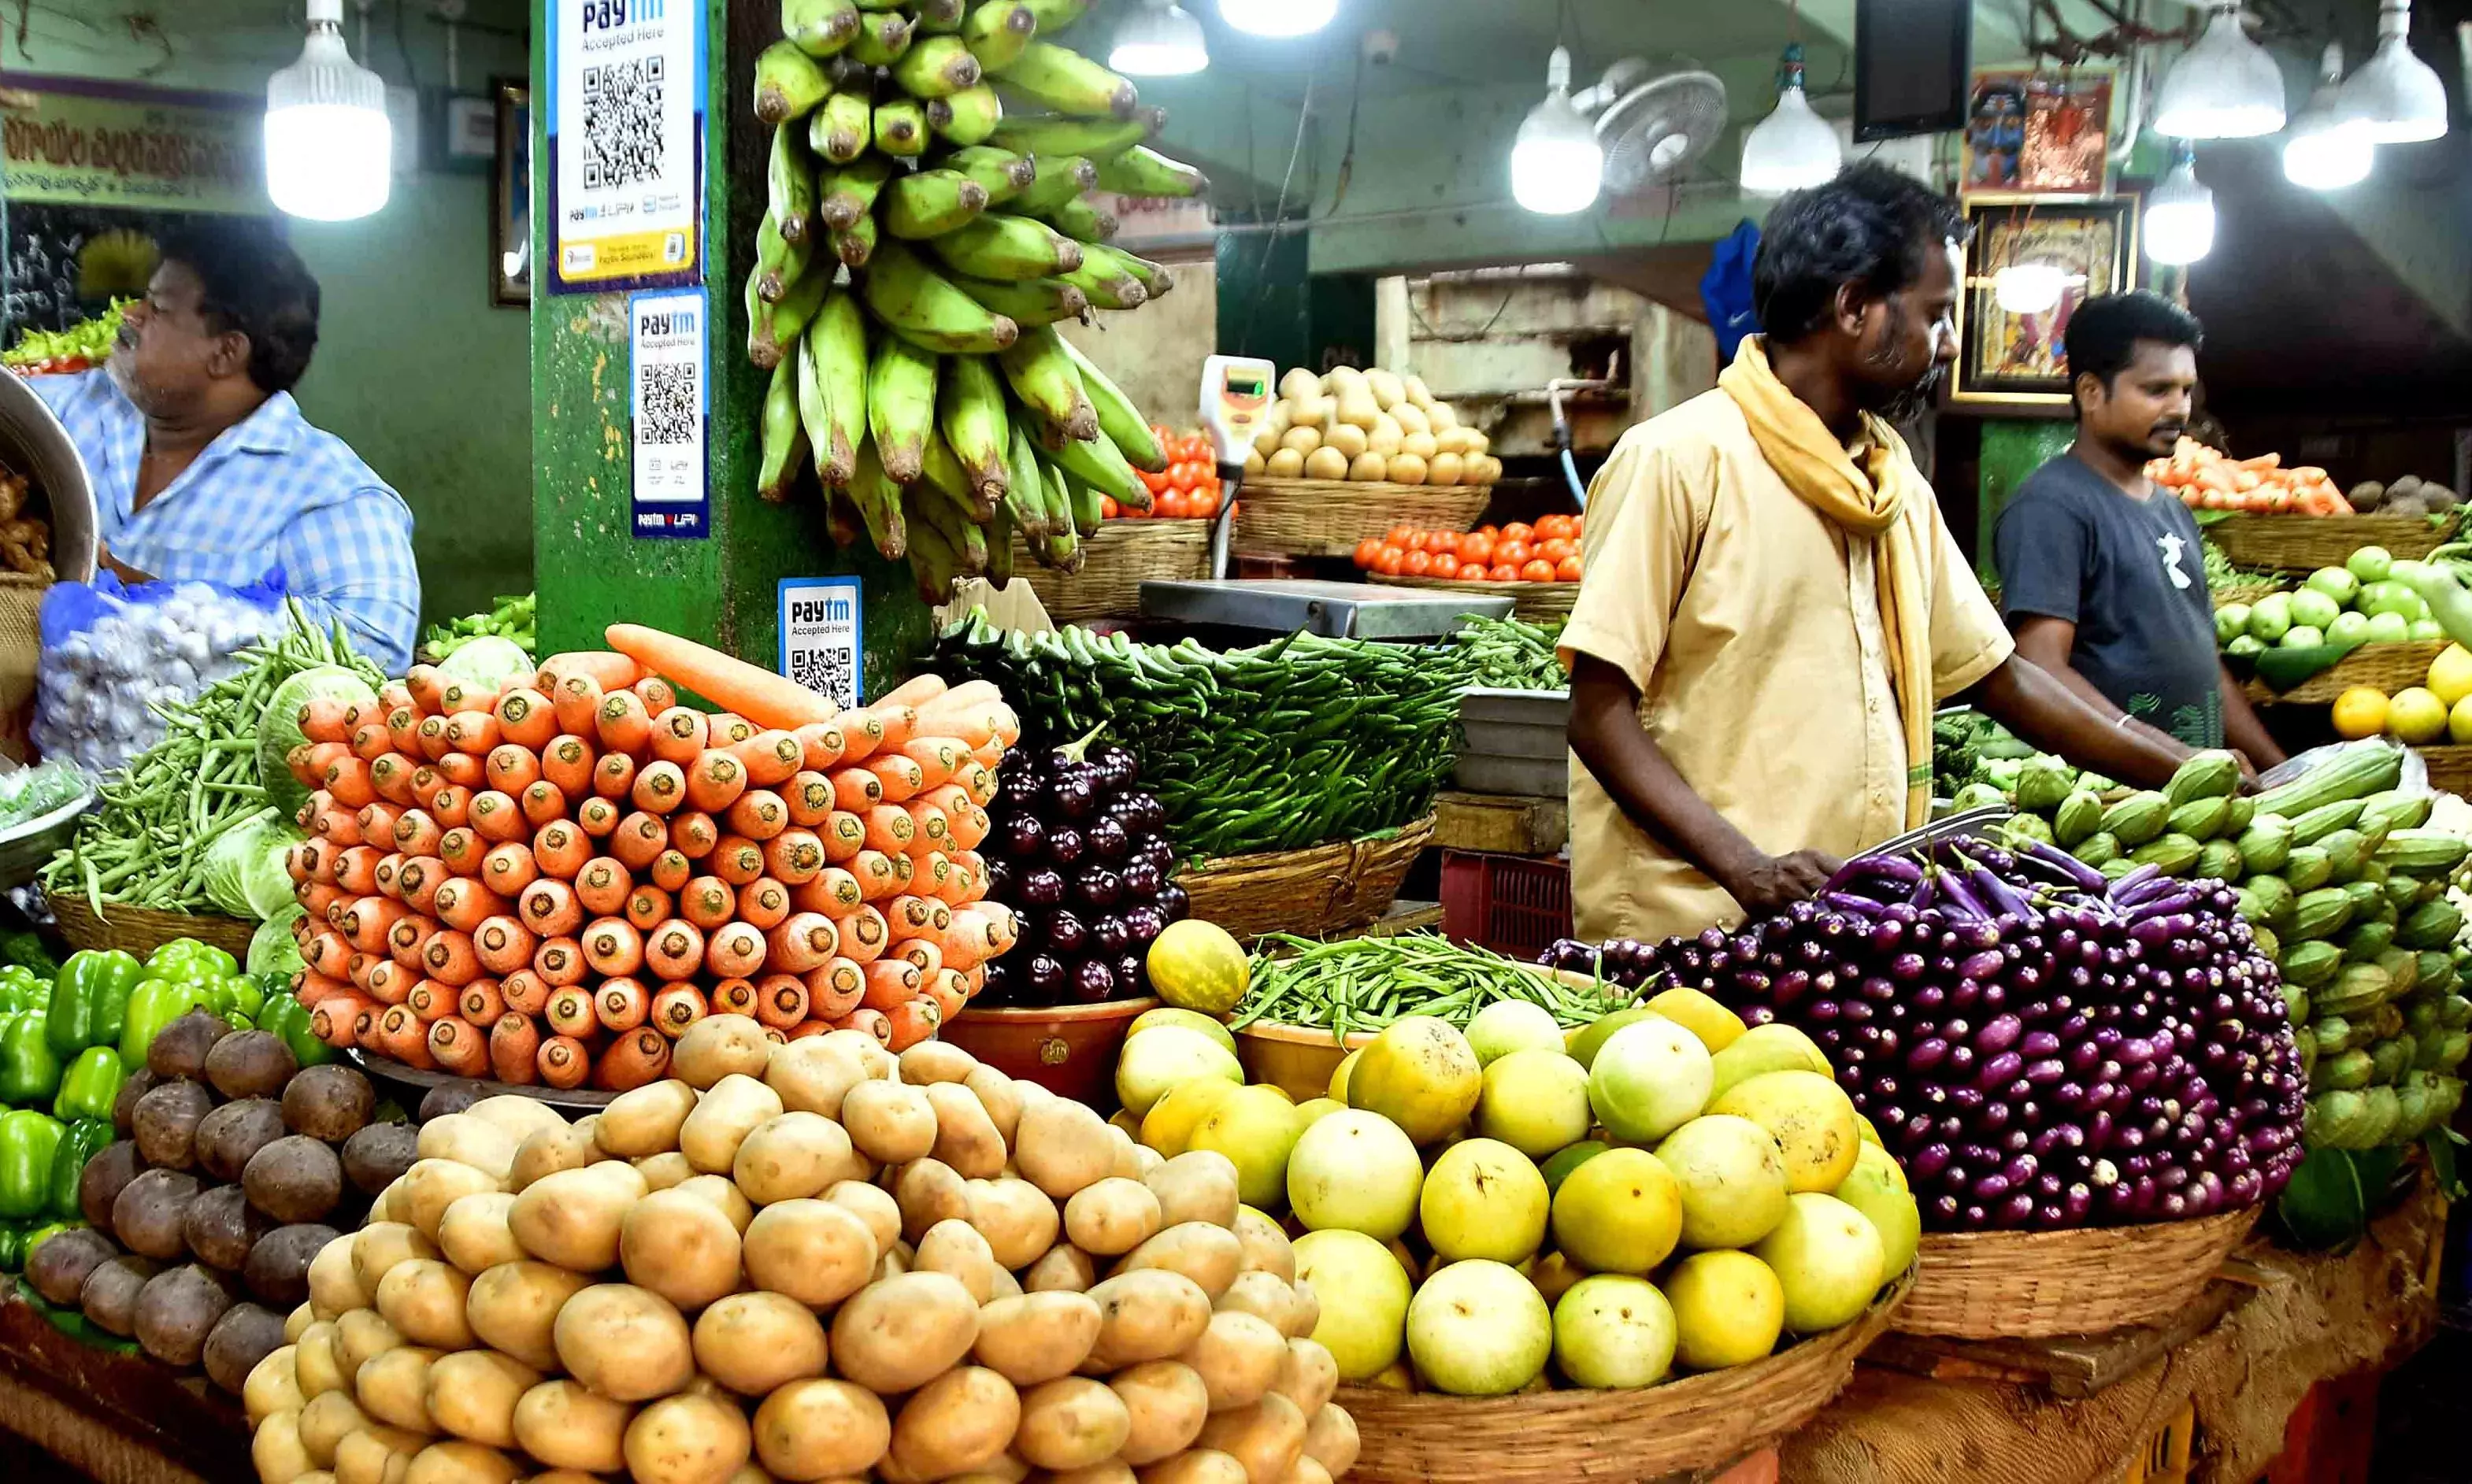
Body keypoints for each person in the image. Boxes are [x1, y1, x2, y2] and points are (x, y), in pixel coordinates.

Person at [1559, 163, 2194, 946]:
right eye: (1935, 313)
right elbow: (1595, 715)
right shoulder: (1677, 461)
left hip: (1844, 928)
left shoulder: (1890, 485)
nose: (1950, 342)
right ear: (1854, 307)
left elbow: (2001, 678)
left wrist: (2188, 770)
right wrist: (1749, 869)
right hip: (1691, 933)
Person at [34, 223, 420, 672]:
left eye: (157, 309)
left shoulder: (329, 495)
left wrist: (158, 603)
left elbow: (376, 650)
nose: (131, 314)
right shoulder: (71, 409)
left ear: (226, 353)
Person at [1991, 291, 2283, 770]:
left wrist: (2279, 769)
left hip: (2195, 796)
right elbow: (2039, 666)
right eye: (2156, 390)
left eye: (2186, 390)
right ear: (2090, 392)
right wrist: (2171, 758)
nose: (2179, 408)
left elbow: (2208, 670)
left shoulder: (2174, 511)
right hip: (2110, 802)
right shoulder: (2051, 507)